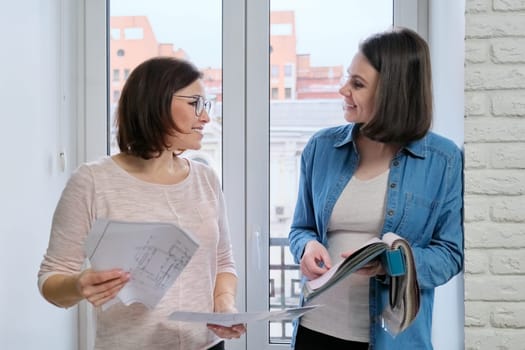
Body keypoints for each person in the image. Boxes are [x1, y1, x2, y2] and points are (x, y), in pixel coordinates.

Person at [38, 57, 245, 349]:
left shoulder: (205, 179)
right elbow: (50, 277)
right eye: (195, 103)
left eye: (207, 105)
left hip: (208, 346)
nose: (206, 117)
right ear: (156, 103)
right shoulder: (93, 181)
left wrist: (224, 305)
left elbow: (223, 260)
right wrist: (77, 285)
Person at [288, 27, 463, 350]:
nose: (343, 90)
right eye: (347, 78)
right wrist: (307, 246)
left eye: (357, 84)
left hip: (393, 340)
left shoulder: (443, 160)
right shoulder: (322, 147)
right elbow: (301, 228)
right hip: (316, 329)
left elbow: (449, 255)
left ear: (393, 92)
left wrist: (388, 264)